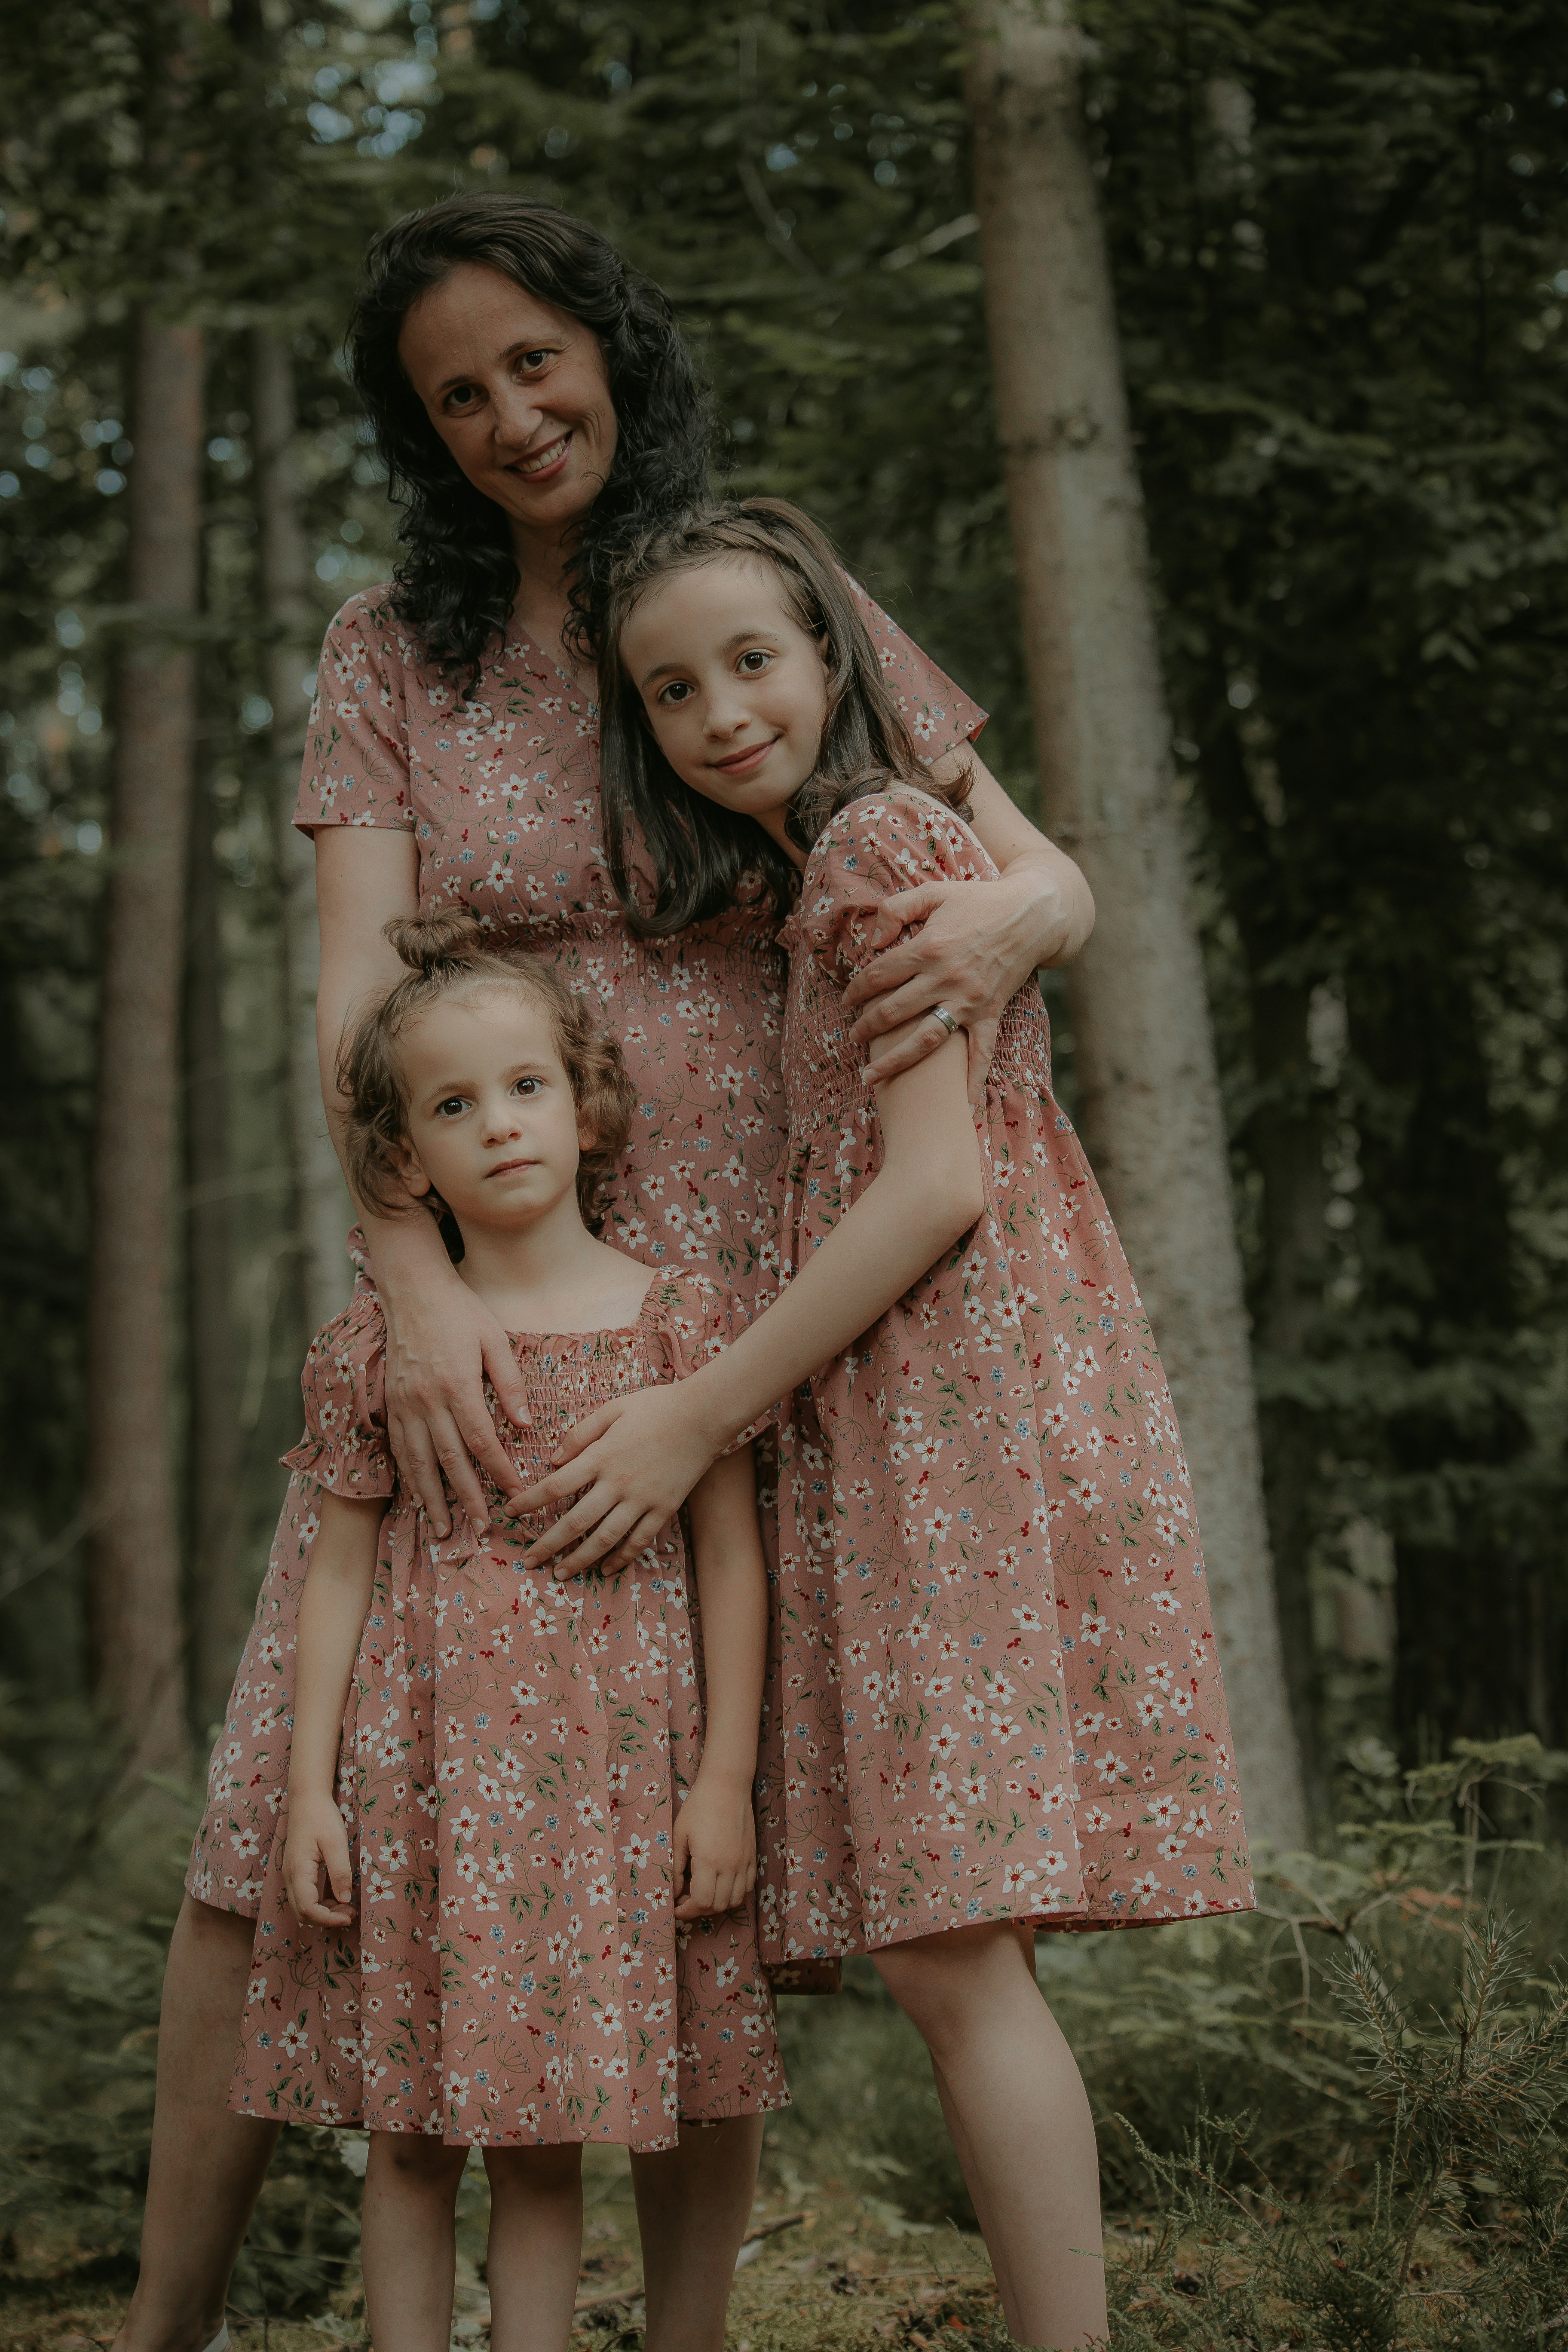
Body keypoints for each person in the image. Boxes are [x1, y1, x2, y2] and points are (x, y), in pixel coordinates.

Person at [123, 194, 1094, 2352]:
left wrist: (1030, 918)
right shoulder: (395, 648)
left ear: (612, 348)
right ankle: (155, 2326)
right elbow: (354, 988)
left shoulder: (744, 588)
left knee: (688, 1841)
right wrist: (412, 1283)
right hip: (490, 1265)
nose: (509, 415)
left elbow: (1031, 862)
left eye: (535, 361)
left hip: (772, 1285)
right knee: (278, 1814)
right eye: (454, 395)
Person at [511, 499, 1255, 2350]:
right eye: (671, 689)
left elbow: (933, 1187)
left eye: (754, 661)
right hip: (928, 1415)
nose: (720, 712)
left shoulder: (874, 843)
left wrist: (695, 1415)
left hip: (952, 1423)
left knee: (947, 1945)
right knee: (950, 1941)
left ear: (839, 660)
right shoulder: (836, 868)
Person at [235, 911, 775, 2352]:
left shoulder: (683, 1329)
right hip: (421, 1792)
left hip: (604, 1798)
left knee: (545, 2145)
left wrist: (724, 1780)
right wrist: (309, 1792)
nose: (500, 1125)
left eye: (527, 1087)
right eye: (454, 1106)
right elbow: (337, 1574)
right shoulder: (384, 1348)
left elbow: (732, 1559)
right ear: (406, 1160)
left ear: (587, 1109)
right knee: (409, 2133)